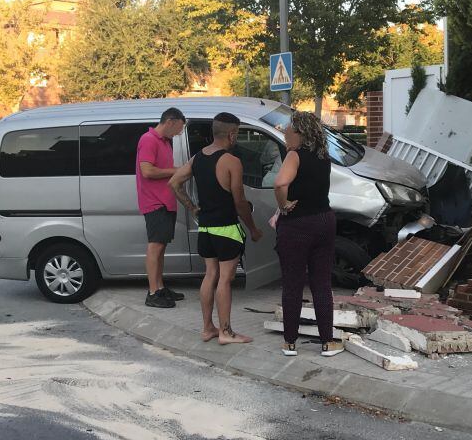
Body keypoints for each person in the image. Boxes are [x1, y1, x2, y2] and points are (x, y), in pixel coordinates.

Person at [169, 112, 263, 345]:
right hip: (227, 229)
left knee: (210, 275)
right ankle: (226, 332)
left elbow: (174, 182)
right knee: (225, 279)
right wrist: (252, 229)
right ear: (231, 134)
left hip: (206, 229)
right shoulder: (231, 162)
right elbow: (240, 202)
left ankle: (207, 328)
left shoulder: (198, 157)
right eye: (237, 134)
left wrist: (192, 208)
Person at [274, 111, 343, 357]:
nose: (285, 132)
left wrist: (283, 206)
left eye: (289, 129)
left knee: (292, 284)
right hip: (324, 220)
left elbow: (280, 184)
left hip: (297, 225)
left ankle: (290, 343)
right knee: (321, 284)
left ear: (300, 133)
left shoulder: (294, 155)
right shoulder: (324, 156)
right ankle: (327, 342)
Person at [136, 107, 187, 308]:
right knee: (155, 246)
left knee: (161, 246)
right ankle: (153, 292)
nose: (178, 133)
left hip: (166, 200)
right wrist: (176, 171)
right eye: (178, 129)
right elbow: (147, 171)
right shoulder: (148, 140)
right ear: (170, 121)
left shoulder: (165, 142)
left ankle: (160, 286)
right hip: (154, 201)